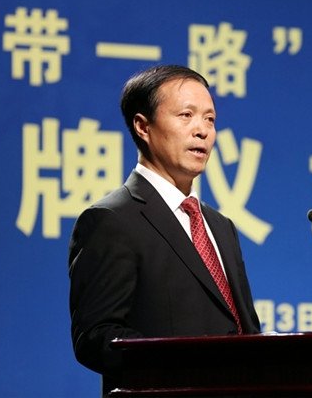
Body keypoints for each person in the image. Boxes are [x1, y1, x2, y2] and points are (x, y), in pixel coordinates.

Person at [68, 65, 260, 394]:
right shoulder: (111, 220)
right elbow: (96, 337)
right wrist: (195, 365)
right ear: (143, 126)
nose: (202, 131)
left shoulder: (221, 226)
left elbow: (245, 330)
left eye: (210, 119)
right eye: (186, 115)